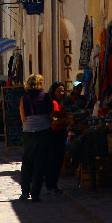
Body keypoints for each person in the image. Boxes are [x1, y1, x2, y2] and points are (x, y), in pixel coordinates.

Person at [19, 73, 53, 202]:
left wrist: (28, 125)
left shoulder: (24, 98)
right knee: (40, 163)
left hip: (29, 132)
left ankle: (24, 192)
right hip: (43, 131)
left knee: (27, 162)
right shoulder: (45, 96)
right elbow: (51, 116)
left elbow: (22, 117)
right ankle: (35, 194)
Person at [44, 81, 71, 194]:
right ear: (54, 92)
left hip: (60, 133)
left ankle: (52, 184)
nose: (61, 92)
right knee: (55, 160)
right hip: (55, 134)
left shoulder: (60, 102)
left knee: (56, 160)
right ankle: (52, 185)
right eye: (59, 91)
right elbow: (53, 120)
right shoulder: (54, 103)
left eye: (63, 90)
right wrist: (66, 120)